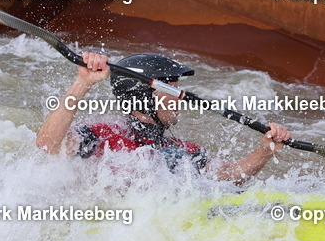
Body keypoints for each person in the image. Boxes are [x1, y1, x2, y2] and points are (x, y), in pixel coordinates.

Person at [36, 52, 291, 183]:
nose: (181, 97)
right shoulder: (103, 137)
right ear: (141, 98)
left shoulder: (180, 151)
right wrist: (82, 83)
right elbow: (48, 143)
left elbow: (225, 178)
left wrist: (265, 152)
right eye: (171, 89)